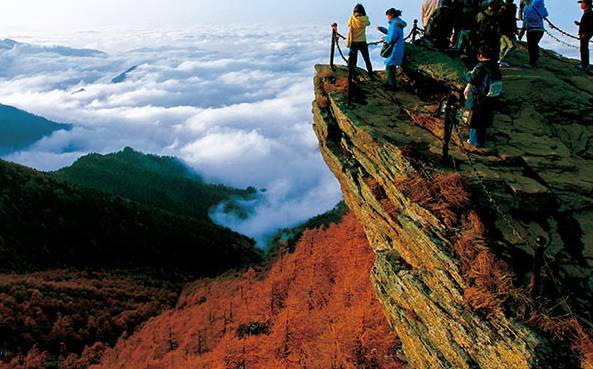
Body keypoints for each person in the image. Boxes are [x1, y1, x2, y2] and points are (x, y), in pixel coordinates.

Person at [463, 46, 503, 148]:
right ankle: (481, 140)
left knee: (474, 121)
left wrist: (468, 73)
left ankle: (474, 142)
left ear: (480, 55)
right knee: (484, 121)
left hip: (478, 98)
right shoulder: (495, 67)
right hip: (490, 98)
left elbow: (472, 79)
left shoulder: (480, 67)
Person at [347, 4, 374, 78]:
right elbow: (368, 23)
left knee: (353, 60)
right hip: (362, 41)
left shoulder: (352, 18)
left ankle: (354, 75)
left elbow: (348, 24)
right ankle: (370, 74)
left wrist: (353, 16)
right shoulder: (365, 19)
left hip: (354, 41)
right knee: (366, 58)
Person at [383, 8, 406, 91]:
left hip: (394, 49)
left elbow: (392, 38)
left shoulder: (393, 25)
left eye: (388, 16)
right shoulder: (398, 23)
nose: (387, 18)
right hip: (399, 48)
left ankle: (392, 86)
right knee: (391, 67)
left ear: (391, 15)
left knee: (389, 66)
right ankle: (390, 83)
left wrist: (385, 38)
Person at [520, 0, 548, 67]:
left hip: (531, 29)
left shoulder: (527, 9)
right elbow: (546, 14)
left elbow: (525, 21)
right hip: (540, 29)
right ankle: (535, 61)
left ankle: (533, 62)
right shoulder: (542, 8)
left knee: (531, 46)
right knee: (535, 45)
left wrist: (522, 31)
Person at [499, 0, 518, 67]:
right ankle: (503, 60)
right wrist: (515, 29)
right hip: (507, 30)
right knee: (512, 46)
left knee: (503, 46)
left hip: (503, 30)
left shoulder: (502, 7)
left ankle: (501, 61)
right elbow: (512, 20)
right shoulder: (511, 7)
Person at [576, 0, 593, 71]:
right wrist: (580, 24)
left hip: (585, 34)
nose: (581, 5)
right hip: (585, 33)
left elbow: (590, 25)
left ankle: (584, 65)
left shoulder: (589, 13)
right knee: (583, 49)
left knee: (583, 49)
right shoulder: (588, 12)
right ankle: (584, 64)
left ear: (587, 4)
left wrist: (585, 33)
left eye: (582, 3)